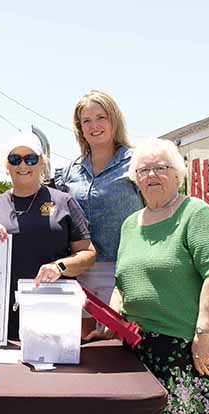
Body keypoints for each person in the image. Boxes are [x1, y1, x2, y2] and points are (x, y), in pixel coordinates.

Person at [112, 138, 209, 414]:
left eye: (161, 168)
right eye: (143, 170)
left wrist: (203, 336)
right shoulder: (130, 224)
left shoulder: (196, 214)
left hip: (195, 349)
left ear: (177, 174)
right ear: (135, 179)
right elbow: (123, 282)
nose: (151, 175)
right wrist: (111, 322)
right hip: (145, 350)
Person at [0, 132, 96, 340]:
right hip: (0, 316)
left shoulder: (64, 202)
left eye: (30, 158)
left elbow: (88, 254)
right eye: (15, 159)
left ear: (42, 162)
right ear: (7, 165)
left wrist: (59, 266)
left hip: (53, 312)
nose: (23, 165)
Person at [55, 90, 144, 311]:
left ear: (114, 120)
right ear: (80, 128)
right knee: (80, 334)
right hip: (78, 274)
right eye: (86, 120)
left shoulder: (137, 163)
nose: (94, 126)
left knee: (116, 333)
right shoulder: (69, 172)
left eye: (101, 117)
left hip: (124, 272)